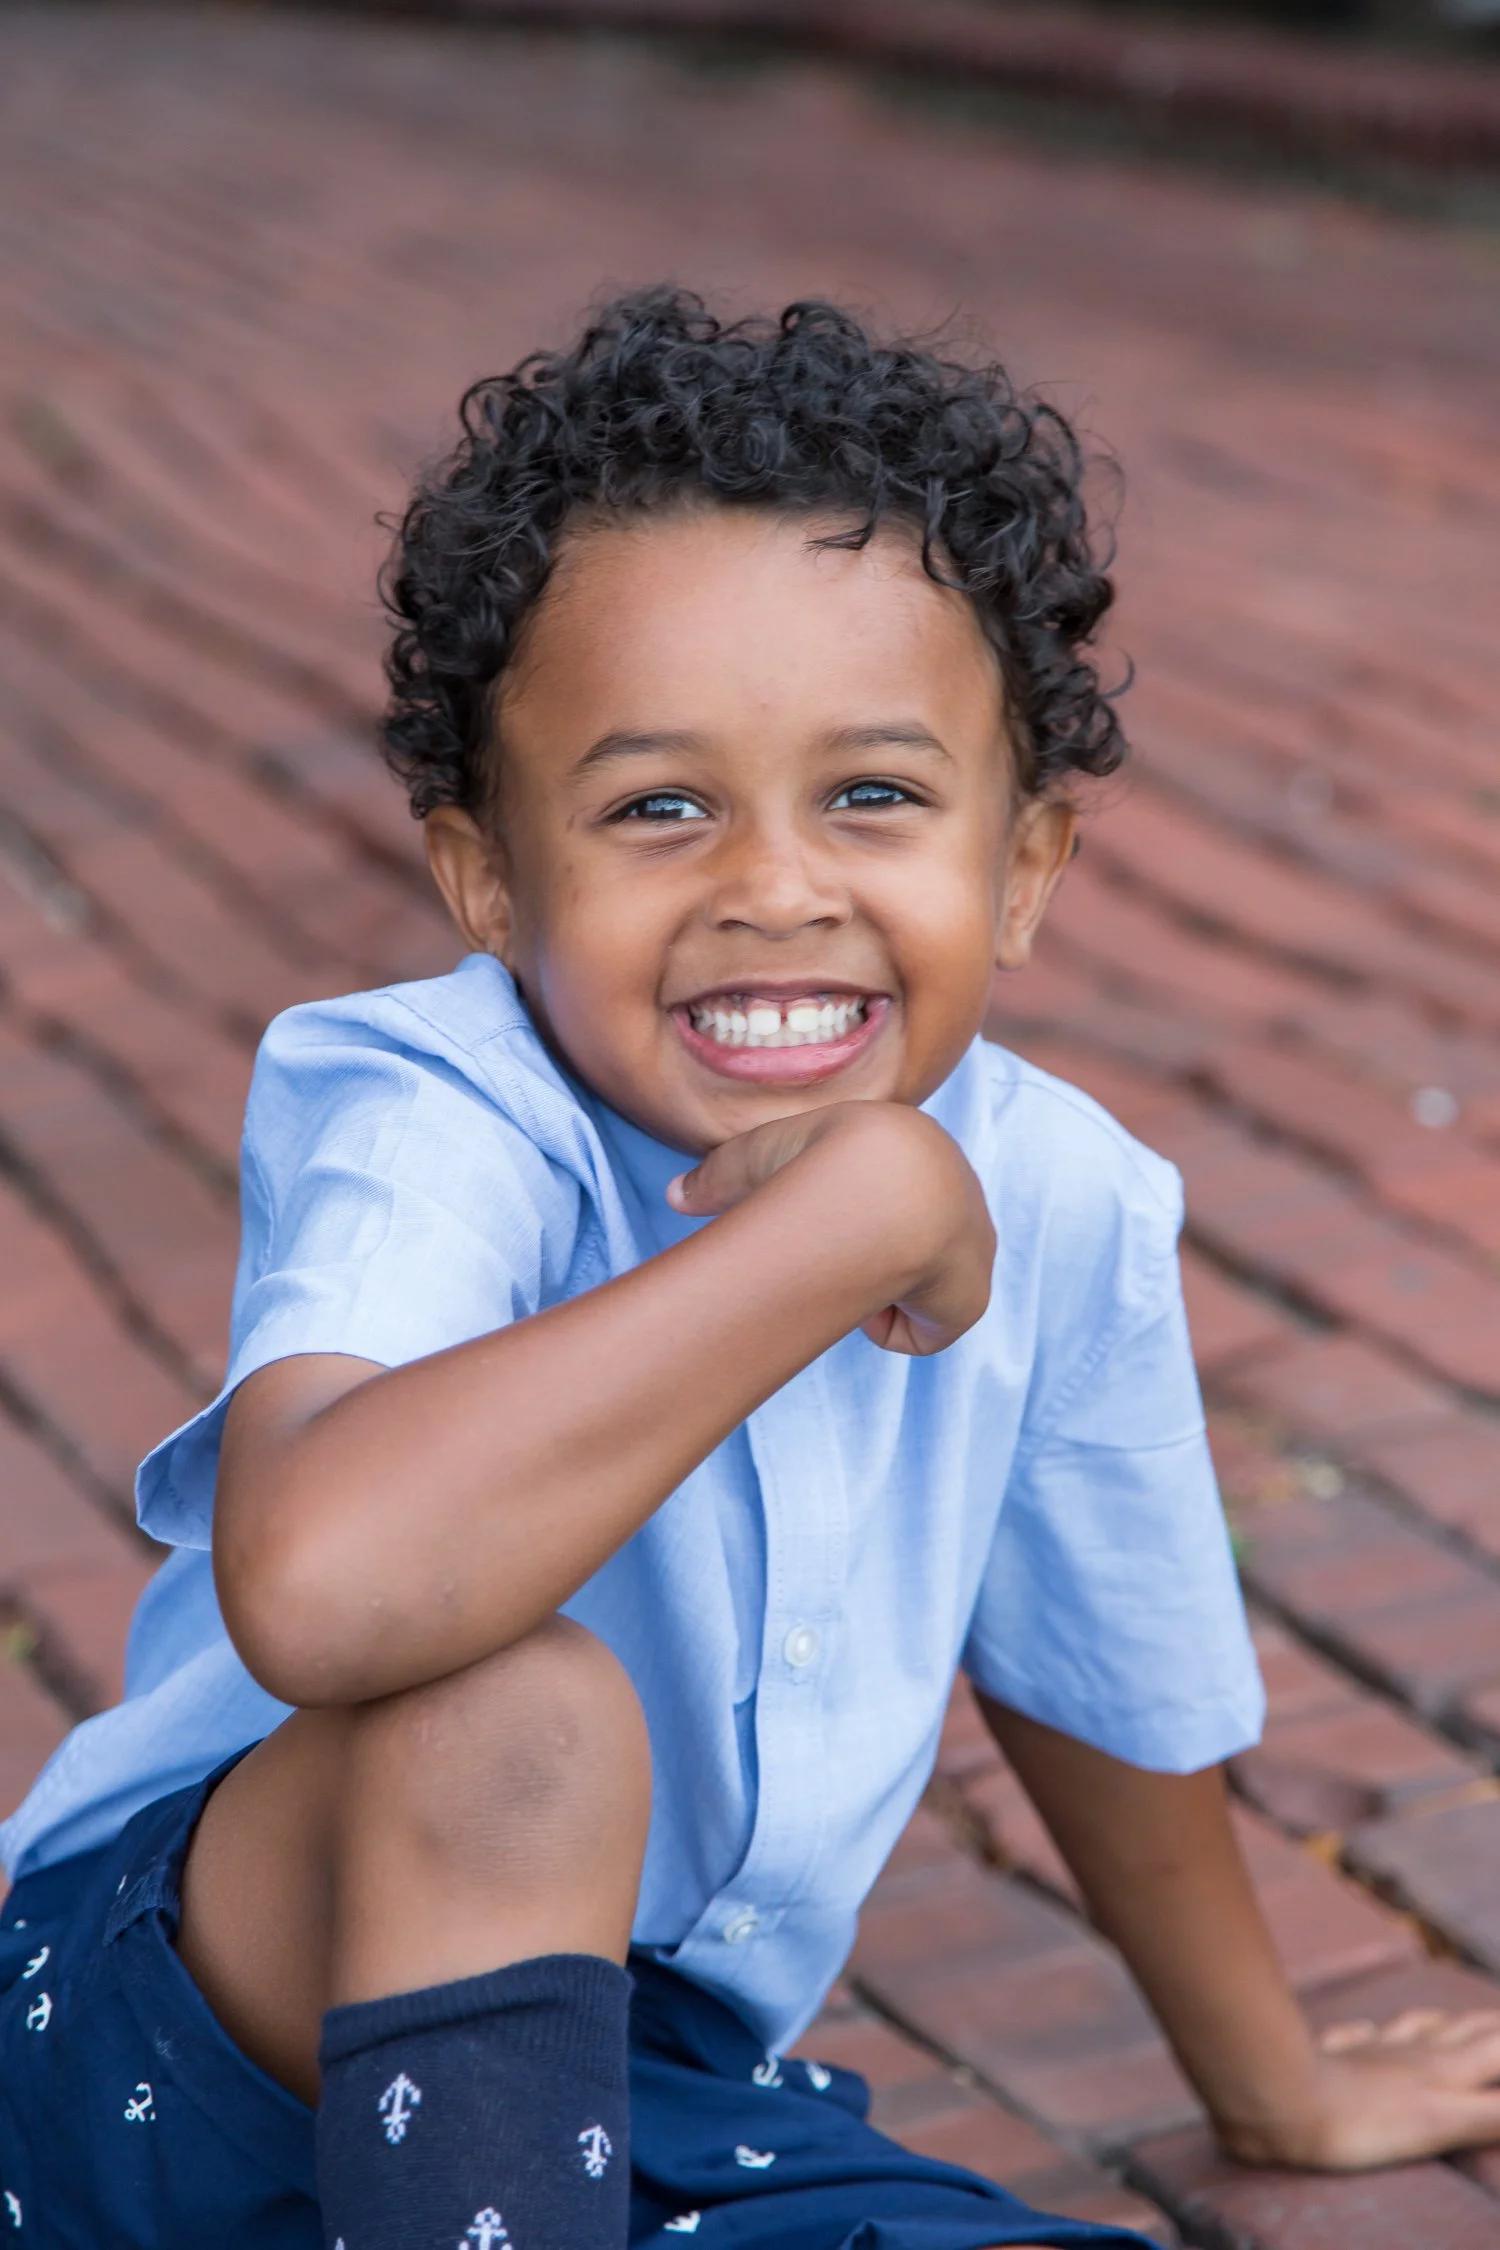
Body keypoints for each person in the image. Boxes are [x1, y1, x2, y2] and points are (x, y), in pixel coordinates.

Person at [4, 291, 1499, 2250]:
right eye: (657, 808)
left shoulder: (1059, 1199)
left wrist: (1277, 2091)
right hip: (172, 2036)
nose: (774, 886)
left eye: (873, 795)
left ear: (1025, 868)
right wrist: (848, 1223)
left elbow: (1093, 1683)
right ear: (486, 878)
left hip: (603, 2103)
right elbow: (333, 1588)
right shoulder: (436, 1102)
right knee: (519, 1716)